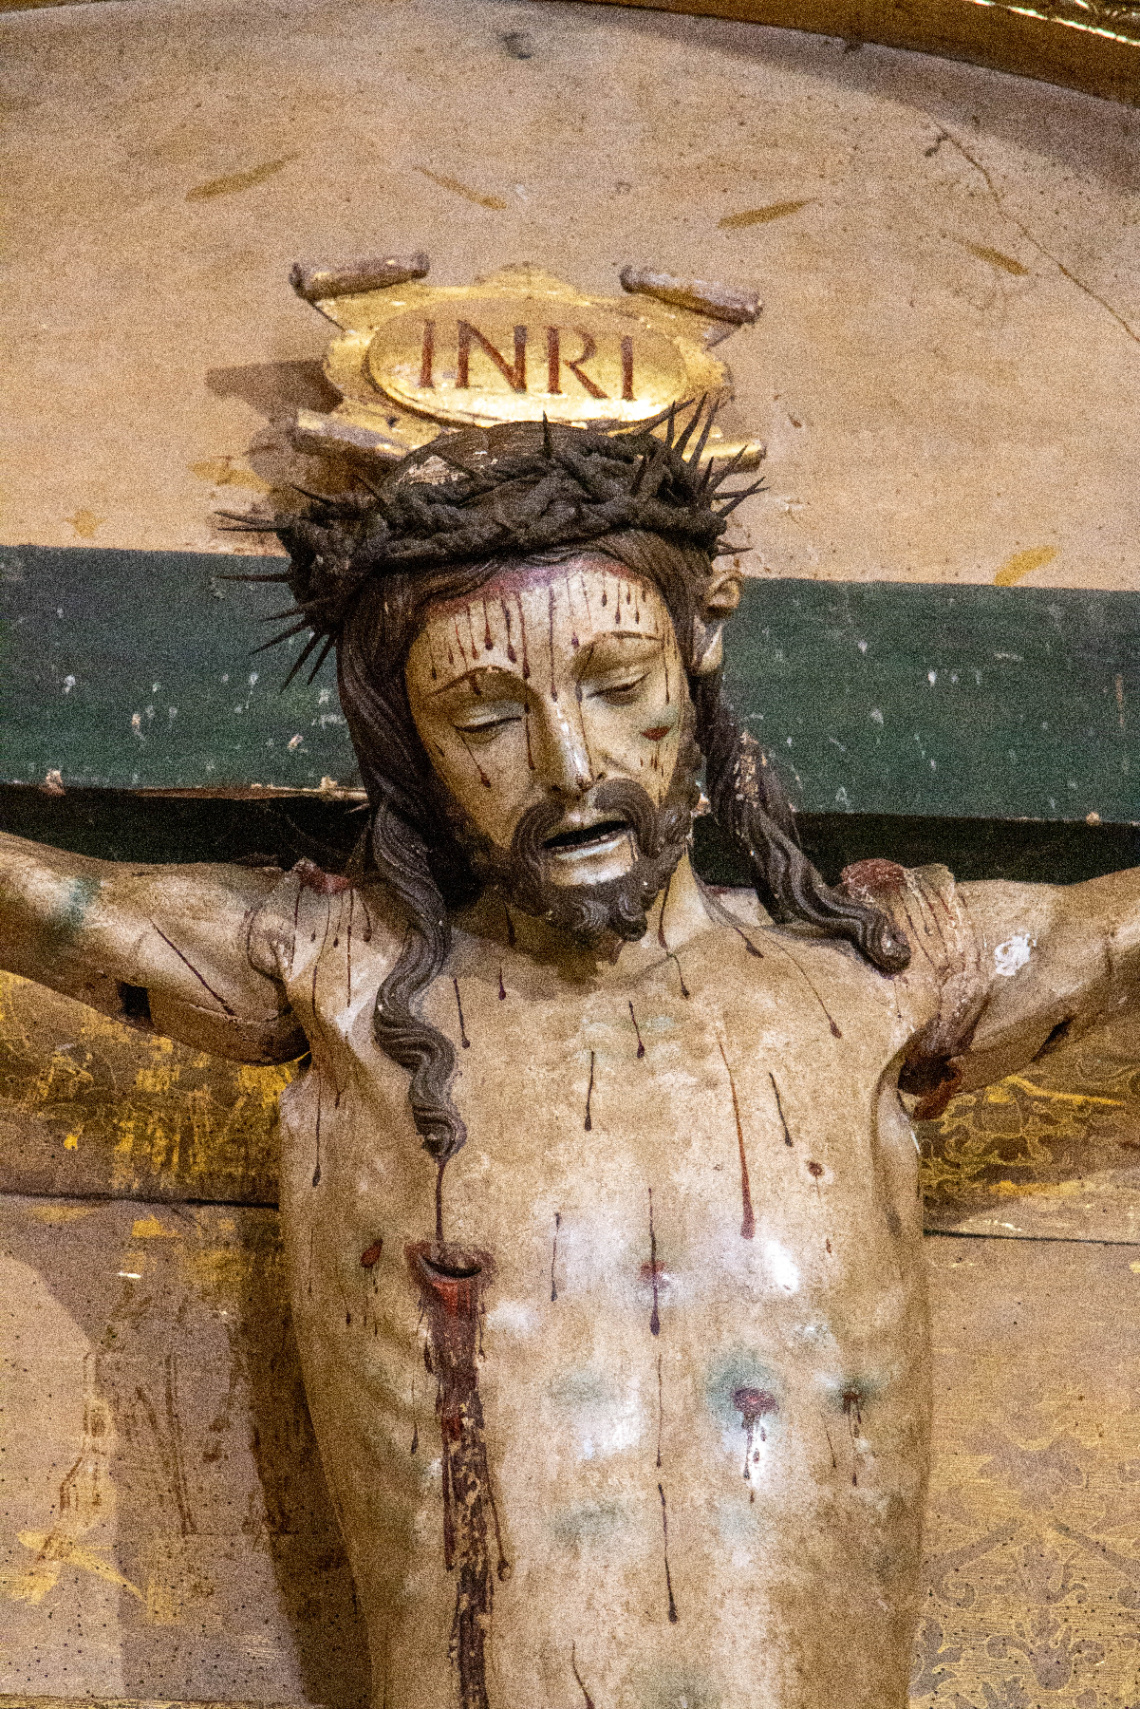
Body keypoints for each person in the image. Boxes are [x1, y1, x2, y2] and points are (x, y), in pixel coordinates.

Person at [1, 409, 1135, 1709]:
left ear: (700, 640)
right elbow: (50, 904)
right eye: (482, 713)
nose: (571, 762)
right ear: (409, 739)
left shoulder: (877, 975)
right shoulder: (344, 981)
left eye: (615, 682)